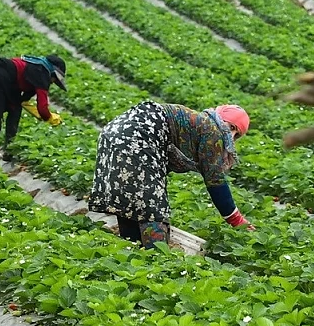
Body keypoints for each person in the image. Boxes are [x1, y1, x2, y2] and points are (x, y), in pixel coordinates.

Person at [88, 100, 254, 249]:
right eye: (231, 127)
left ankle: (131, 250)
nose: (231, 135)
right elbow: (215, 180)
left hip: (116, 132)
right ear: (221, 117)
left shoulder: (197, 123)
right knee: (153, 207)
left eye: (236, 134)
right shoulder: (211, 130)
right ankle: (157, 260)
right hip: (138, 138)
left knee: (129, 198)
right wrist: (236, 220)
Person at [0, 54, 67, 161]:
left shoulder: (36, 68)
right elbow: (42, 108)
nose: (52, 82)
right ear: (52, 72)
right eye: (54, 79)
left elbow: (22, 100)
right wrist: (49, 117)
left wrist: (30, 107)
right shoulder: (41, 73)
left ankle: (9, 152)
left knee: (15, 110)